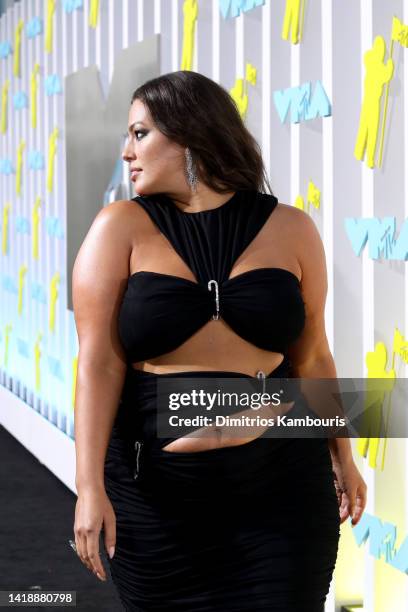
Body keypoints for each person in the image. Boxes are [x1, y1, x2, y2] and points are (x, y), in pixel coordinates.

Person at [72, 71, 367, 611]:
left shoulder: (292, 228)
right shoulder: (119, 228)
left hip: (283, 494)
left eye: (140, 134)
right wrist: (88, 485)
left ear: (191, 134)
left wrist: (343, 454)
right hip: (156, 496)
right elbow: (97, 366)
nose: (126, 152)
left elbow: (314, 355)